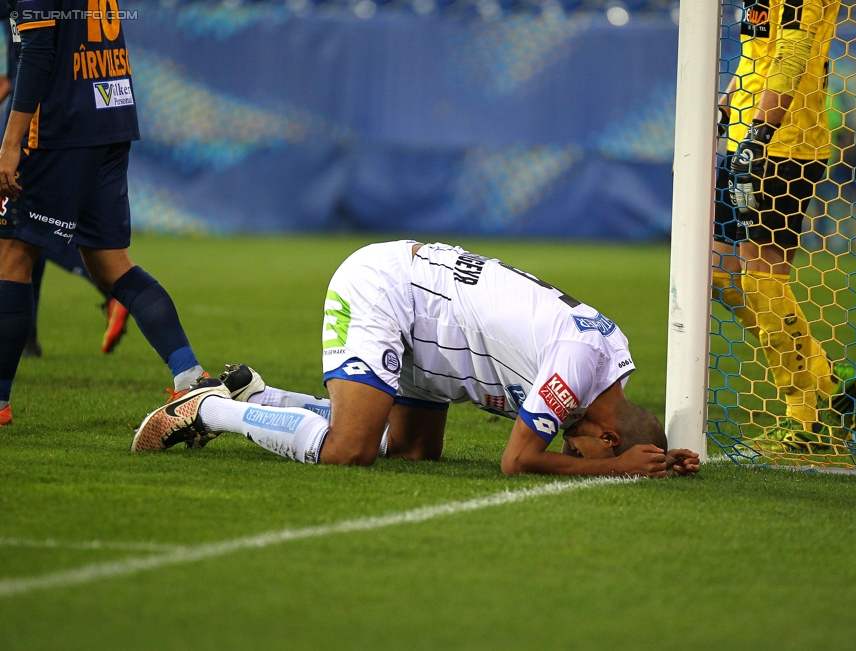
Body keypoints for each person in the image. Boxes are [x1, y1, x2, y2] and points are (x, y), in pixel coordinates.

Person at [132, 241, 700, 478]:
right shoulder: (576, 369)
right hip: (391, 291)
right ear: (604, 437)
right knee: (351, 451)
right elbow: (517, 461)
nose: (566, 444)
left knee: (413, 452)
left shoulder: (608, 359)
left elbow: (616, 435)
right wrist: (618, 467)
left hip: (436, 342)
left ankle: (257, 397)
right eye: (580, 448)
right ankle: (208, 410)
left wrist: (653, 455)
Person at [0, 0, 207, 426]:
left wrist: (10, 140)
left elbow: (38, 50)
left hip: (59, 126)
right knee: (110, 264)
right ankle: (190, 375)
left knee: (11, 257)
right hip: (109, 113)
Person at [711, 0, 856, 452]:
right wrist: (724, 111)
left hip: (783, 146)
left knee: (762, 274)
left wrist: (761, 131)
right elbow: (756, 55)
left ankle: (803, 416)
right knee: (718, 275)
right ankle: (827, 379)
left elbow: (793, 53)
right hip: (743, 137)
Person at [0, 4, 128, 359]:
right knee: (25, 230)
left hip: (43, 117)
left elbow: (36, 51)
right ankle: (28, 339)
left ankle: (12, 368)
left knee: (21, 232)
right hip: (96, 114)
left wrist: (10, 142)